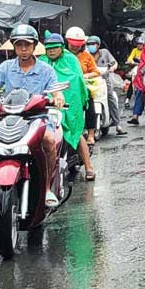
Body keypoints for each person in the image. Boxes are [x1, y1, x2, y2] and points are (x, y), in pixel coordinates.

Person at [0, 25, 68, 205]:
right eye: (19, 45)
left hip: (37, 118)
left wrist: (58, 98)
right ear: (14, 47)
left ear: (34, 46)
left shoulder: (46, 70)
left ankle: (47, 188)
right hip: (9, 118)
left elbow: (57, 92)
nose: (23, 49)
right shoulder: (5, 67)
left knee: (48, 140)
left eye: (27, 45)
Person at [42, 32, 97, 181]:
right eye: (48, 48)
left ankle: (88, 167)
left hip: (69, 104)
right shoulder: (41, 61)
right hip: (47, 105)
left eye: (55, 48)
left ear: (61, 47)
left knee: (75, 133)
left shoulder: (71, 60)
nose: (51, 51)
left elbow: (77, 82)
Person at [66, 27, 104, 143]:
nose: (75, 46)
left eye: (77, 44)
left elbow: (96, 71)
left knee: (89, 106)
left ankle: (91, 134)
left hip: (83, 88)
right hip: (67, 88)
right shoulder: (63, 55)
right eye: (72, 44)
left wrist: (85, 76)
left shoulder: (86, 56)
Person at [88, 35, 127, 136]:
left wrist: (113, 68)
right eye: (89, 44)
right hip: (90, 81)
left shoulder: (105, 52)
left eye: (93, 44)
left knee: (111, 99)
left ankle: (118, 125)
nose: (90, 46)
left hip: (104, 81)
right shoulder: (86, 55)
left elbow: (114, 63)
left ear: (98, 45)